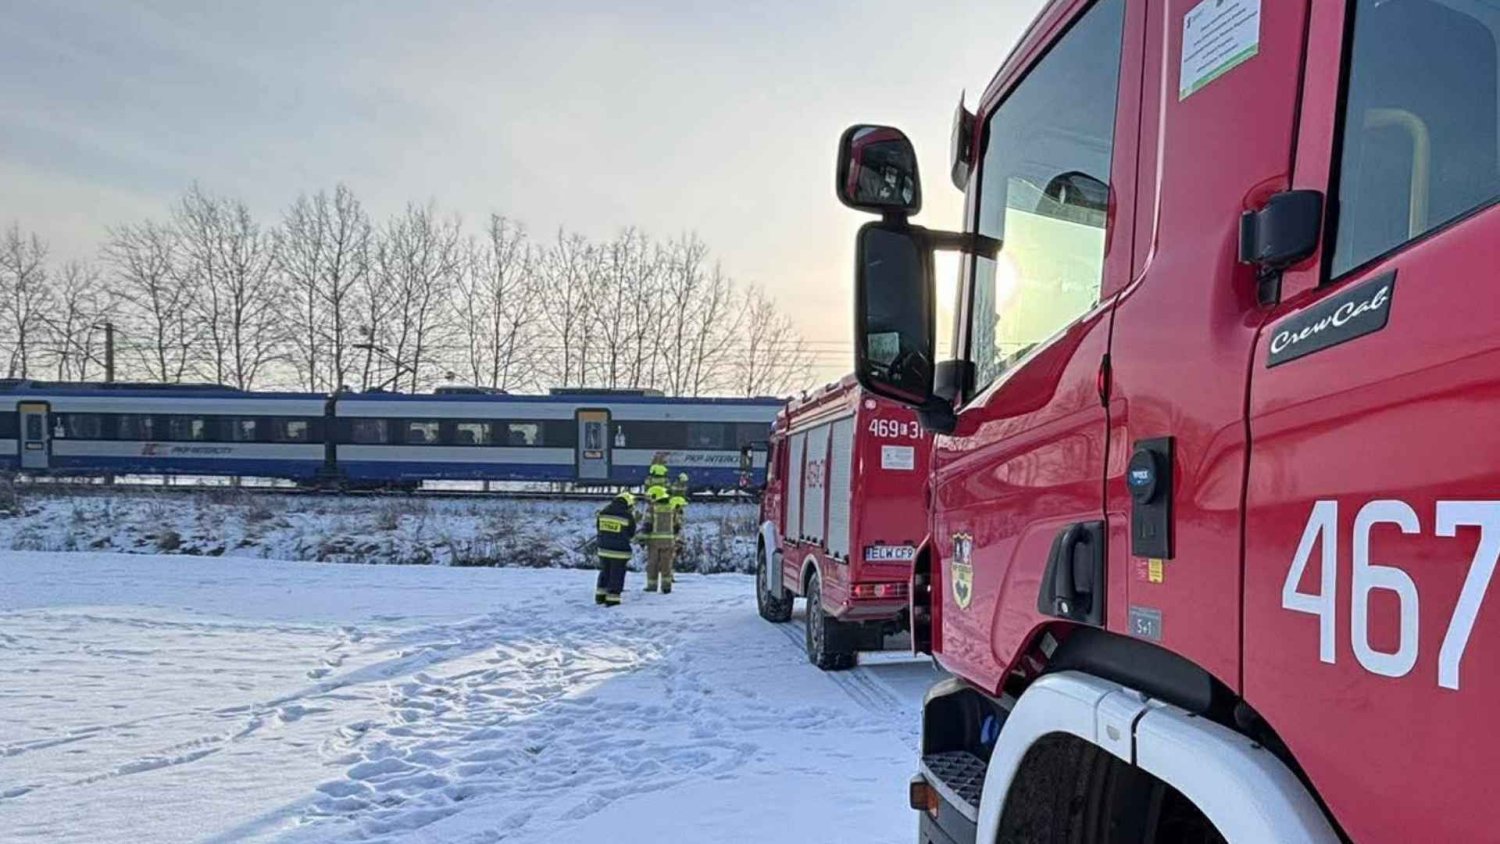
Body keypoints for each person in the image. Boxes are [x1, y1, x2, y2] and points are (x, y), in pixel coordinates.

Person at [594, 492, 637, 607]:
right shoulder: (627, 516)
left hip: (603, 549)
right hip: (620, 552)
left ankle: (600, 596)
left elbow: (598, 528)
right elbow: (631, 533)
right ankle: (612, 599)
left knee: (605, 572)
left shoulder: (603, 513)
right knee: (616, 575)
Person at [641, 487, 680, 593]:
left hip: (654, 542)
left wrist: (642, 540)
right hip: (669, 542)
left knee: (652, 564)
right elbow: (677, 526)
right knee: (666, 564)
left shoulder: (652, 508)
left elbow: (647, 526)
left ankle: (652, 586)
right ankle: (666, 587)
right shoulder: (672, 508)